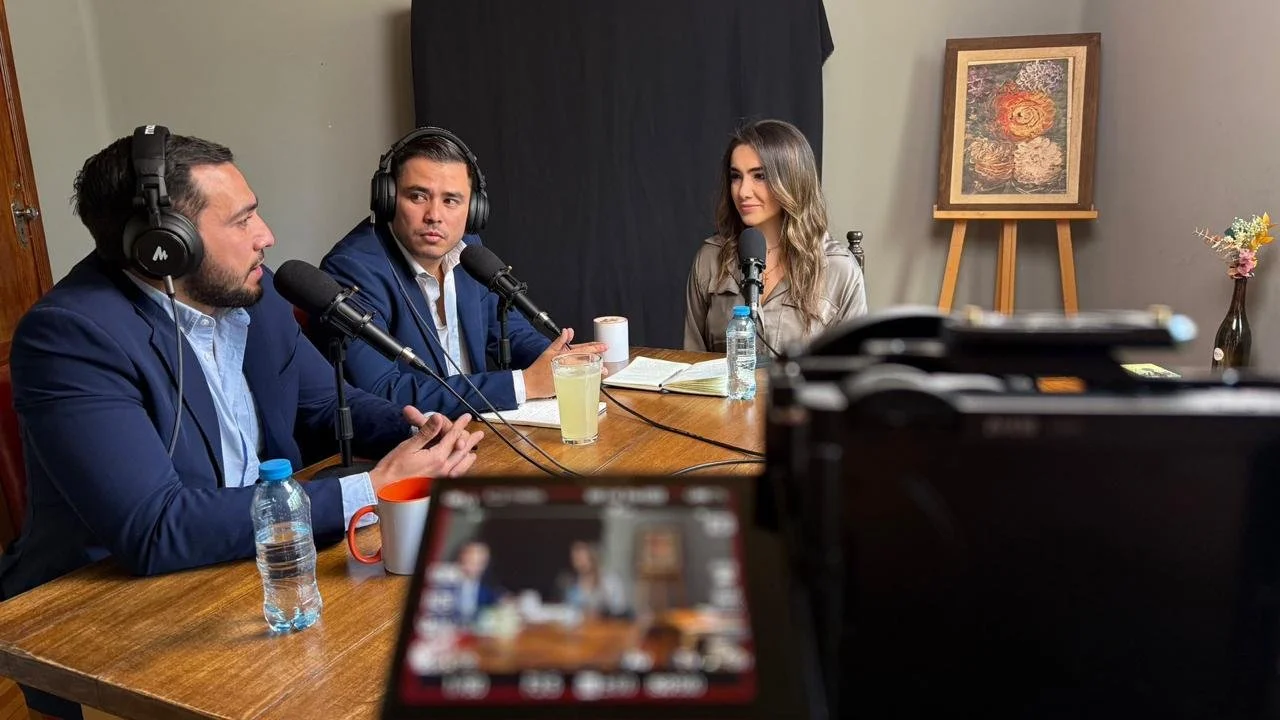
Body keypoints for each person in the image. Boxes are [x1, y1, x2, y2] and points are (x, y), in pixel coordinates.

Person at [0, 125, 487, 617]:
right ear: (166, 244)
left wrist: (418, 433)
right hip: (108, 608)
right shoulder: (68, 338)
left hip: (257, 567)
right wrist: (373, 488)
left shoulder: (258, 292)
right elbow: (153, 527)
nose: (266, 236)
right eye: (242, 221)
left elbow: (322, 402)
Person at [318, 127, 606, 417]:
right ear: (388, 199)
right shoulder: (352, 270)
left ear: (474, 209)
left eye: (451, 200)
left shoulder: (468, 250)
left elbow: (508, 329)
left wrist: (560, 362)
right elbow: (384, 390)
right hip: (410, 445)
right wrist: (524, 384)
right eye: (418, 196)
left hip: (479, 430)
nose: (434, 215)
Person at [683, 119, 867, 355]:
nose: (743, 192)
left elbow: (851, 376)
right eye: (736, 176)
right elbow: (691, 363)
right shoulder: (710, 259)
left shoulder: (839, 270)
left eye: (759, 176)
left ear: (792, 181)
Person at [560, 540, 629, 619]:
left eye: (581, 557)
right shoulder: (571, 582)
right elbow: (567, 610)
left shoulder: (610, 581)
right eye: (575, 558)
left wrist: (601, 612)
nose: (578, 562)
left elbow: (620, 609)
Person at [450, 541, 504, 625]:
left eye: (480, 562)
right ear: (460, 559)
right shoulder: (447, 584)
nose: (475, 566)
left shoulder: (488, 587)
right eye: (471, 560)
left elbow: (498, 605)